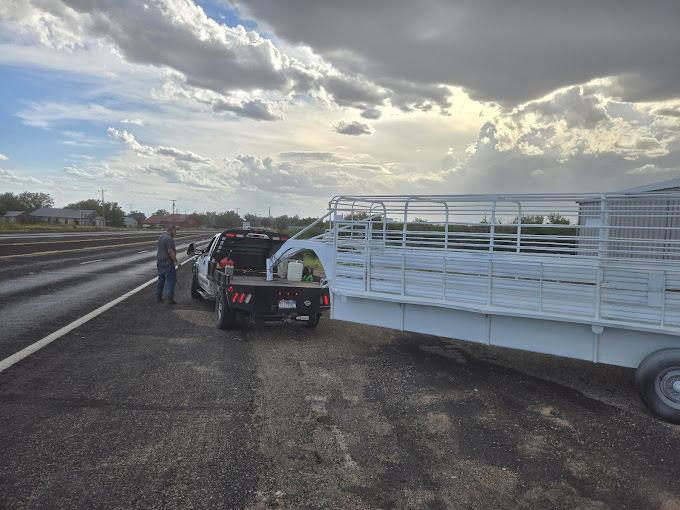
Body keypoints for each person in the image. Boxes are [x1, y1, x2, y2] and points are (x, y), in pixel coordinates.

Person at [156, 225, 180, 304]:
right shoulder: (169, 239)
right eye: (175, 231)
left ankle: (158, 297)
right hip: (167, 263)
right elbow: (170, 251)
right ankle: (170, 299)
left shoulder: (161, 237)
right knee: (171, 280)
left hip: (159, 262)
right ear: (170, 230)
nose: (176, 232)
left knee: (161, 280)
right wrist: (176, 261)